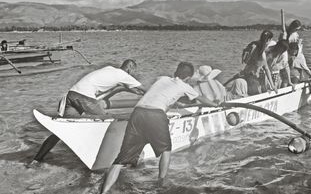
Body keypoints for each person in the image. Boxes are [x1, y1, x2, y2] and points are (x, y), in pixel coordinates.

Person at [100, 62, 219, 193]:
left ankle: (104, 191)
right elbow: (202, 99)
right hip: (155, 115)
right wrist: (215, 105)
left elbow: (162, 94)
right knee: (166, 151)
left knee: (120, 160)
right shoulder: (185, 86)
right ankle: (161, 184)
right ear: (188, 78)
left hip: (137, 113)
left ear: (175, 73)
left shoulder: (162, 79)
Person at [28, 59, 144, 167]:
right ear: (130, 69)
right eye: (132, 72)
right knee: (109, 123)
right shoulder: (123, 75)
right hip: (84, 98)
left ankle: (37, 159)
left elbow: (123, 87)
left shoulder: (110, 69)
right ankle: (117, 156)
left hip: (71, 95)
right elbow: (144, 88)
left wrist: (132, 90)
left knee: (62, 129)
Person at [241, 30, 276, 95]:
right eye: (271, 40)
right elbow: (267, 69)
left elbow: (245, 61)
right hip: (252, 77)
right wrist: (273, 86)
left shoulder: (254, 45)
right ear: (269, 40)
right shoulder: (261, 52)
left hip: (247, 74)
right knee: (257, 94)